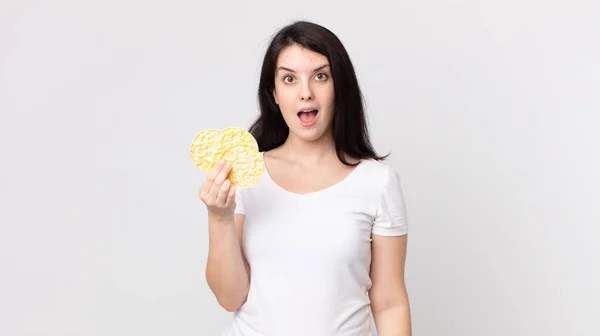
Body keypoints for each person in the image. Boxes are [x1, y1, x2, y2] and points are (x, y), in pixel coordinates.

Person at [199, 20, 411, 336]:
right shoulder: (246, 176)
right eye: (289, 79)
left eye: (320, 76)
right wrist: (219, 217)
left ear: (340, 87)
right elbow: (230, 297)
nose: (305, 93)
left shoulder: (377, 183)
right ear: (273, 93)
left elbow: (390, 302)